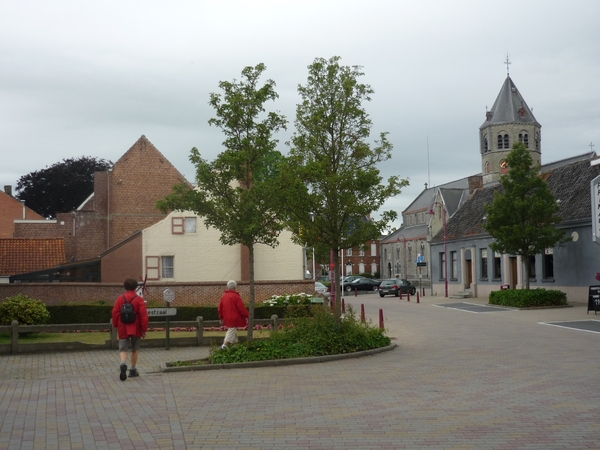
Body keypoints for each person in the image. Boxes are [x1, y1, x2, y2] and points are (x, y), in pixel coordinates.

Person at [112, 278, 149, 381]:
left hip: (123, 326)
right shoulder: (138, 299)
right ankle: (132, 370)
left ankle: (123, 363)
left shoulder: (120, 298)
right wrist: (144, 329)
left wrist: (116, 325)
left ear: (125, 287)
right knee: (135, 348)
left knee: (123, 348)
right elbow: (143, 316)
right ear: (136, 287)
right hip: (135, 326)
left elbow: (115, 312)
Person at [218, 280, 249, 349]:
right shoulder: (236, 297)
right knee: (231, 330)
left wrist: (221, 317)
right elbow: (241, 308)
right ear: (235, 287)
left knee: (233, 330)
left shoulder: (224, 296)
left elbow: (220, 308)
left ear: (228, 287)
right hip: (234, 317)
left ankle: (236, 346)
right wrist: (247, 316)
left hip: (227, 317)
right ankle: (224, 346)